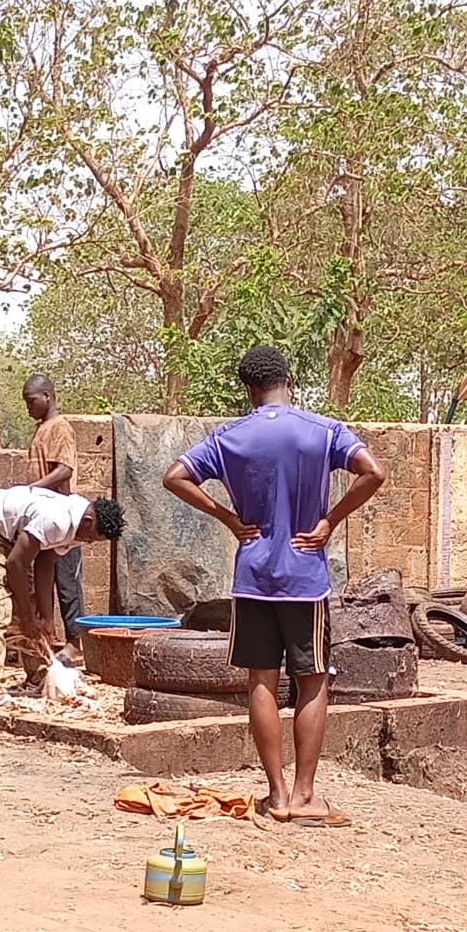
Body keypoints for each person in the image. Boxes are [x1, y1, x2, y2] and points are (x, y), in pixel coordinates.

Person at [163, 344, 385, 827]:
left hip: (254, 576)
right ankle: (307, 796)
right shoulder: (323, 431)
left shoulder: (229, 437)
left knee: (261, 681)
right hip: (306, 579)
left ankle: (277, 795)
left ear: (249, 389)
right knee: (312, 681)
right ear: (288, 380)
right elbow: (374, 471)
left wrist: (226, 516)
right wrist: (330, 521)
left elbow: (174, 476)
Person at [0, 485, 125, 694]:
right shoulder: (58, 519)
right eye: (91, 537)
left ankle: (38, 677)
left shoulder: (78, 527)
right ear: (88, 522)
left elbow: (46, 562)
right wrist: (27, 618)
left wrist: (45, 618)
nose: (88, 542)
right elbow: (15, 565)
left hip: (12, 538)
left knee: (29, 609)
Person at [25, 375, 87, 643]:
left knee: (67, 583)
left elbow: (64, 470)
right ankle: (48, 637)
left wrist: (32, 489)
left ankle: (75, 642)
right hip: (44, 518)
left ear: (47, 397)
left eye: (31, 401)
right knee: (43, 580)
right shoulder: (42, 428)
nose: (28, 407)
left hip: (62, 517)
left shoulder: (60, 427)